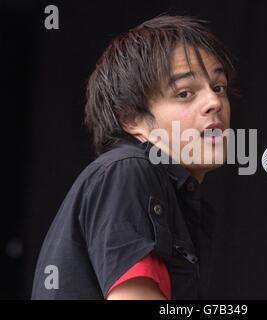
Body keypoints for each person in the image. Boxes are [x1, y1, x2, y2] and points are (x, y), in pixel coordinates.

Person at [31, 15, 236, 300]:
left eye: (219, 87)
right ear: (133, 119)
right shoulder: (128, 171)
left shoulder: (166, 190)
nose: (215, 102)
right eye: (185, 93)